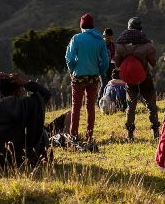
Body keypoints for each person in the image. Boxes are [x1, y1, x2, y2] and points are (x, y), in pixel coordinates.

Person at [65, 13, 109, 141]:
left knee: (76, 106)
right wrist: (100, 71)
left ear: (81, 25)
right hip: (93, 76)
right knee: (90, 106)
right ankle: (89, 135)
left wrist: (72, 69)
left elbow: (70, 58)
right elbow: (105, 61)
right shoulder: (100, 40)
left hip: (78, 76)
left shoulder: (76, 39)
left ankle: (74, 135)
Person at [115, 16, 159, 141]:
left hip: (130, 80)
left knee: (131, 107)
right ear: (140, 29)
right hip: (145, 77)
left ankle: (130, 134)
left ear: (128, 28)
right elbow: (154, 63)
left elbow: (118, 64)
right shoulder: (147, 44)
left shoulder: (121, 45)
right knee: (151, 106)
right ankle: (155, 131)